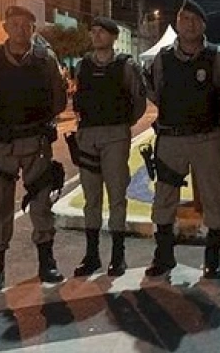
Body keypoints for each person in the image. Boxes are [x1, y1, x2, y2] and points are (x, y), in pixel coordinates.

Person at [0, 5, 68, 291]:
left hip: (35, 142)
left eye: (25, 25)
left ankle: (46, 263)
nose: (19, 29)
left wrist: (35, 119)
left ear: (33, 29)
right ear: (5, 28)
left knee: (41, 203)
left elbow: (59, 98)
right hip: (1, 144)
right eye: (14, 24)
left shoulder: (45, 59)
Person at [143, 0, 220, 279]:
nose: (190, 24)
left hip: (207, 138)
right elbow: (153, 92)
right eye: (185, 19)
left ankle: (213, 258)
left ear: (204, 25)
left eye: (195, 20)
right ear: (177, 23)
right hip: (171, 139)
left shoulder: (218, 57)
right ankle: (163, 255)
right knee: (164, 198)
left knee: (216, 197)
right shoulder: (162, 59)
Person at [69, 17, 147, 277]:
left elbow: (138, 101)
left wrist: (123, 125)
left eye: (102, 32)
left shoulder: (126, 66)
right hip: (88, 135)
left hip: (115, 135)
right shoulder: (82, 66)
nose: (97, 35)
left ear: (114, 37)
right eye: (94, 31)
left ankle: (117, 255)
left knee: (116, 197)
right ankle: (92, 256)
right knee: (91, 199)